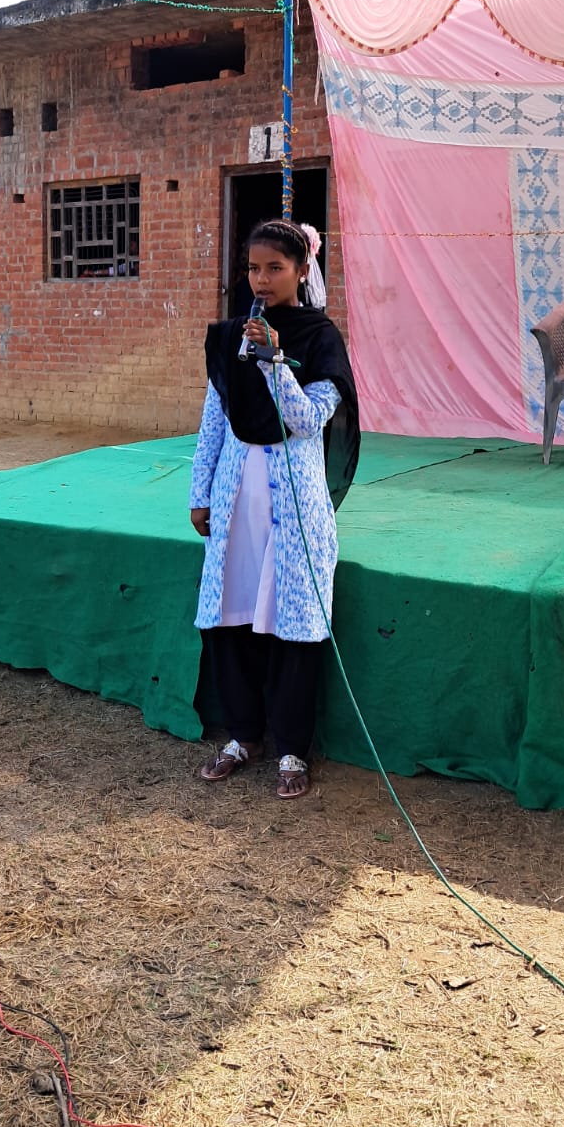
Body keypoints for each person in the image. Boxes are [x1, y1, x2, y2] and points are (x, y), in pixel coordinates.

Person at [188, 219, 359, 799]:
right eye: (253, 268)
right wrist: (200, 493)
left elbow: (307, 421)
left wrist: (274, 362)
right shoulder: (232, 335)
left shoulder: (320, 338)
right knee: (230, 618)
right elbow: (214, 422)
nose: (261, 280)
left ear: (302, 270)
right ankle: (243, 736)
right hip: (236, 500)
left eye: (275, 268)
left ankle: (291, 749)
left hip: (295, 504)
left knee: (294, 624)